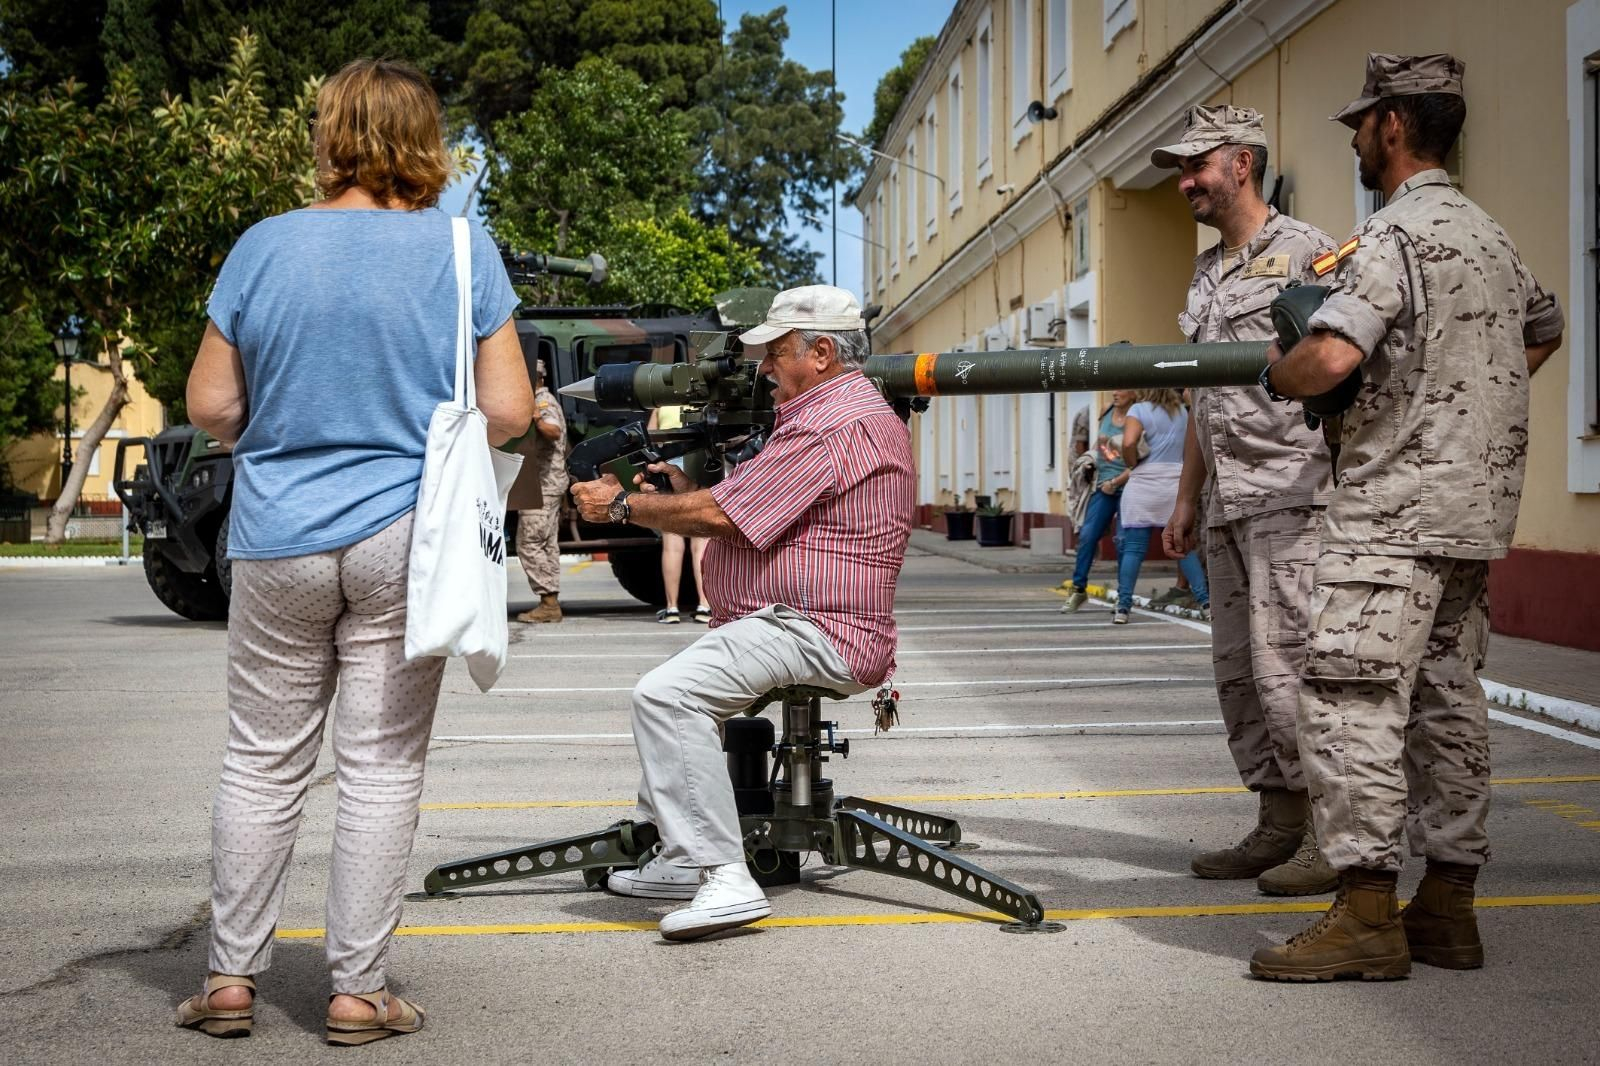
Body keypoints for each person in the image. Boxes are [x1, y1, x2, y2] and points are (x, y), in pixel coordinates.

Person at [179, 58, 532, 1041]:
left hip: (276, 534)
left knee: (261, 755)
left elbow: (210, 403)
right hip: (404, 540)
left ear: (329, 133)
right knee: (379, 764)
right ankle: (356, 990)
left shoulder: (262, 248)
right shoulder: (462, 249)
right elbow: (505, 408)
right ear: (426, 142)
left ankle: (228, 981)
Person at [1250, 53, 1563, 981]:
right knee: (1449, 701)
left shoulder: (1393, 235)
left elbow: (1332, 359)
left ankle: (1366, 917)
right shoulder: (1492, 238)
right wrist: (1458, 405)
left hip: (1389, 509)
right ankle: (1448, 909)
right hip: (1472, 510)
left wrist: (1280, 374)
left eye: (1359, 123)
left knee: (1350, 701)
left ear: (1393, 124)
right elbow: (1543, 330)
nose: (1352, 139)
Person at [569, 284, 914, 941]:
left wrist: (621, 507)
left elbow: (725, 516)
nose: (762, 368)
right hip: (799, 621)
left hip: (818, 627)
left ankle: (725, 877)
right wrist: (688, 493)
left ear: (820, 353)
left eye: (774, 352)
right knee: (681, 687)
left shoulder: (832, 422)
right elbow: (748, 507)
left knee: (666, 698)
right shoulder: (837, 415)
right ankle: (680, 856)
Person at [1151, 104, 1340, 897]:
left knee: (1291, 665)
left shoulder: (1310, 252)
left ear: (1243, 163)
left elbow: (1340, 365)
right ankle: (1278, 820)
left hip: (1293, 492)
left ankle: (1334, 836)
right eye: (1182, 170)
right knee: (1238, 670)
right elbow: (1204, 393)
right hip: (1228, 499)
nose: (1186, 182)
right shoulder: (1203, 272)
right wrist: (1188, 495)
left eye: (1198, 166)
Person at [1116, 389, 1209, 626]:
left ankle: (1123, 607)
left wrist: (1131, 462)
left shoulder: (1139, 410)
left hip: (1145, 483)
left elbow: (1128, 442)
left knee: (1134, 548)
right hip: (1174, 483)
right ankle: (1205, 601)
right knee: (1182, 545)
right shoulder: (1182, 412)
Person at [1060, 390, 1134, 613]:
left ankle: (1123, 598)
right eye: (1114, 388)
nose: (1115, 393)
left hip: (1128, 487)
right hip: (1103, 486)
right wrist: (1090, 460)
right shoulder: (1106, 411)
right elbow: (1100, 445)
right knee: (1087, 535)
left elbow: (1141, 457)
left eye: (1121, 388)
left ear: (1134, 393)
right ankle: (1078, 589)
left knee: (1122, 541)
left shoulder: (1138, 416)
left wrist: (1118, 480)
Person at [647, 405, 711, 624]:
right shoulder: (702, 401)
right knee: (700, 542)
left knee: (672, 543)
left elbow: (650, 438)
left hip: (669, 466)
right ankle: (704, 604)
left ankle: (672, 608)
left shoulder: (661, 404)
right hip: (698, 465)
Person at [515, 362, 568, 623]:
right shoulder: (545, 399)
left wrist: (534, 416)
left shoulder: (541, 402)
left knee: (530, 542)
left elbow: (553, 430)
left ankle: (548, 602)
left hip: (543, 484)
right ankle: (550, 600)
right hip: (548, 482)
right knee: (547, 543)